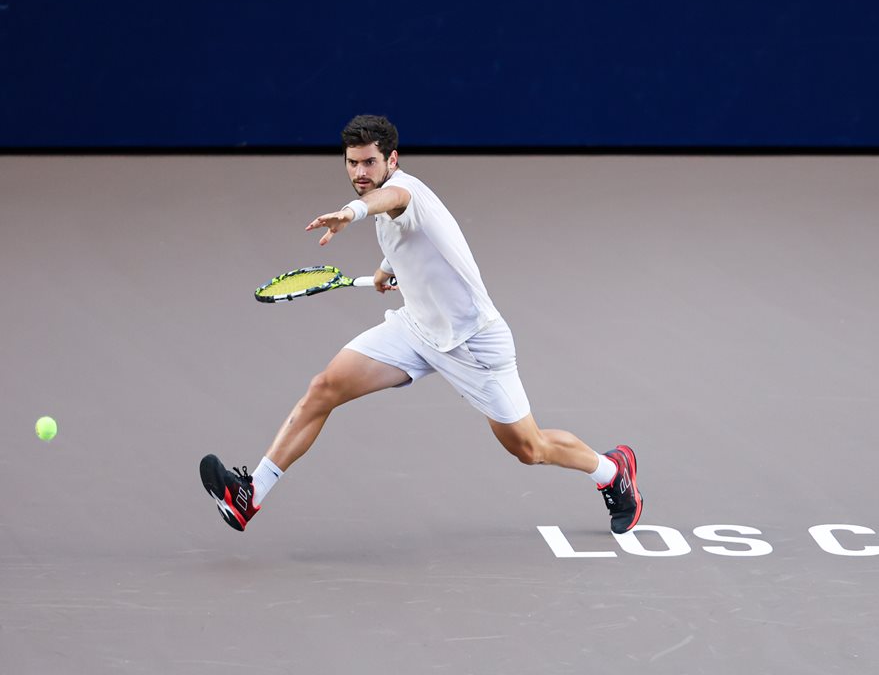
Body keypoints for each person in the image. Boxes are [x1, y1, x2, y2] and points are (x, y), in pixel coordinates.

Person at [199, 115, 642, 535]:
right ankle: (250, 493)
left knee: (529, 448)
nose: (360, 172)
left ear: (392, 160)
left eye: (369, 162)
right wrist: (386, 269)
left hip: (473, 344)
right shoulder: (389, 206)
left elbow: (389, 202)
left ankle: (611, 470)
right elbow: (406, 238)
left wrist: (350, 212)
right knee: (324, 387)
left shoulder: (403, 192)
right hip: (415, 330)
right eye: (352, 163)